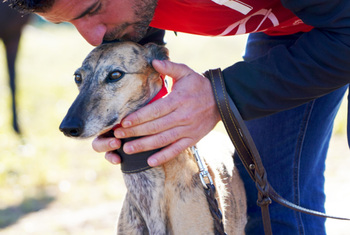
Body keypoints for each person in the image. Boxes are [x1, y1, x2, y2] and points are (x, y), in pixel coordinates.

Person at [9, 0, 350, 234]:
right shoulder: (127, 14)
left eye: (95, 9)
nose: (96, 38)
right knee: (270, 203)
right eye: (68, 22)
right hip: (290, 29)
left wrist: (221, 96)